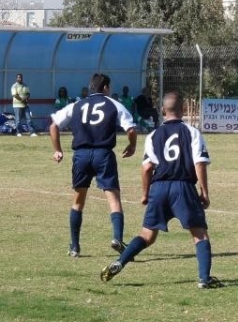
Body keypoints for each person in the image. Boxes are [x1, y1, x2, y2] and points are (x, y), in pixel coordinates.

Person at [100, 91, 222, 289]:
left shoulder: (153, 135)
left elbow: (147, 167)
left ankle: (120, 261)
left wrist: (145, 193)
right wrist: (205, 192)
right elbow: (199, 163)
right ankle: (204, 279)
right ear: (183, 109)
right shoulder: (192, 132)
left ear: (163, 111)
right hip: (183, 187)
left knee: (147, 235)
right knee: (200, 235)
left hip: (158, 188)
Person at [49, 73, 138, 257]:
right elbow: (130, 130)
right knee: (114, 200)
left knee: (78, 200)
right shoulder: (113, 104)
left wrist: (57, 150)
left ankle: (75, 247)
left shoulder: (77, 105)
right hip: (103, 155)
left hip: (81, 156)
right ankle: (117, 239)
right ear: (105, 87)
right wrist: (132, 145)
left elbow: (53, 126)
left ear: (91, 87)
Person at [11, 73, 37, 137]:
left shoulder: (25, 85)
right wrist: (23, 100)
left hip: (25, 105)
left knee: (29, 119)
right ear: (16, 78)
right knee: (18, 120)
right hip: (17, 106)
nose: (20, 78)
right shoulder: (14, 86)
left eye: (21, 77)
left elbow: (28, 94)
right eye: (18, 77)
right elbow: (15, 95)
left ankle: (32, 132)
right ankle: (18, 132)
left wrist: (26, 98)